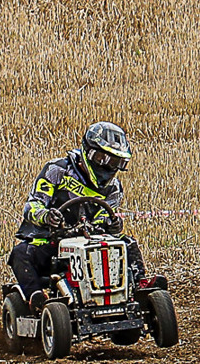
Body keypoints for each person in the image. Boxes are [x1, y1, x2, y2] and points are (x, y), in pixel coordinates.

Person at [8, 122, 144, 311]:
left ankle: (141, 288)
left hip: (87, 241)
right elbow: (32, 204)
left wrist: (111, 224)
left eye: (116, 162)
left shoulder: (113, 188)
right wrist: (46, 216)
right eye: (103, 159)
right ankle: (36, 298)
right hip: (50, 240)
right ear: (88, 152)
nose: (108, 166)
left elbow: (104, 216)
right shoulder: (57, 170)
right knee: (20, 253)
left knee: (127, 243)